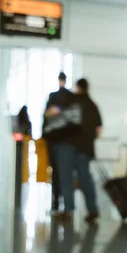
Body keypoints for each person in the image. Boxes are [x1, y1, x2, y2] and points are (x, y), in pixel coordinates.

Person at [43, 72, 78, 219]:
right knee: (65, 174)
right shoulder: (70, 98)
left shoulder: (54, 97)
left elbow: (46, 116)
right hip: (66, 142)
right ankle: (65, 205)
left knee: (58, 173)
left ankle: (57, 203)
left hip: (57, 141)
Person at [72, 78, 103, 224]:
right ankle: (92, 208)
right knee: (86, 178)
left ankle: (72, 209)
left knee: (77, 178)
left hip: (75, 146)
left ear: (78, 88)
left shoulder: (75, 103)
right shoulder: (93, 105)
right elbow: (98, 130)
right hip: (87, 147)